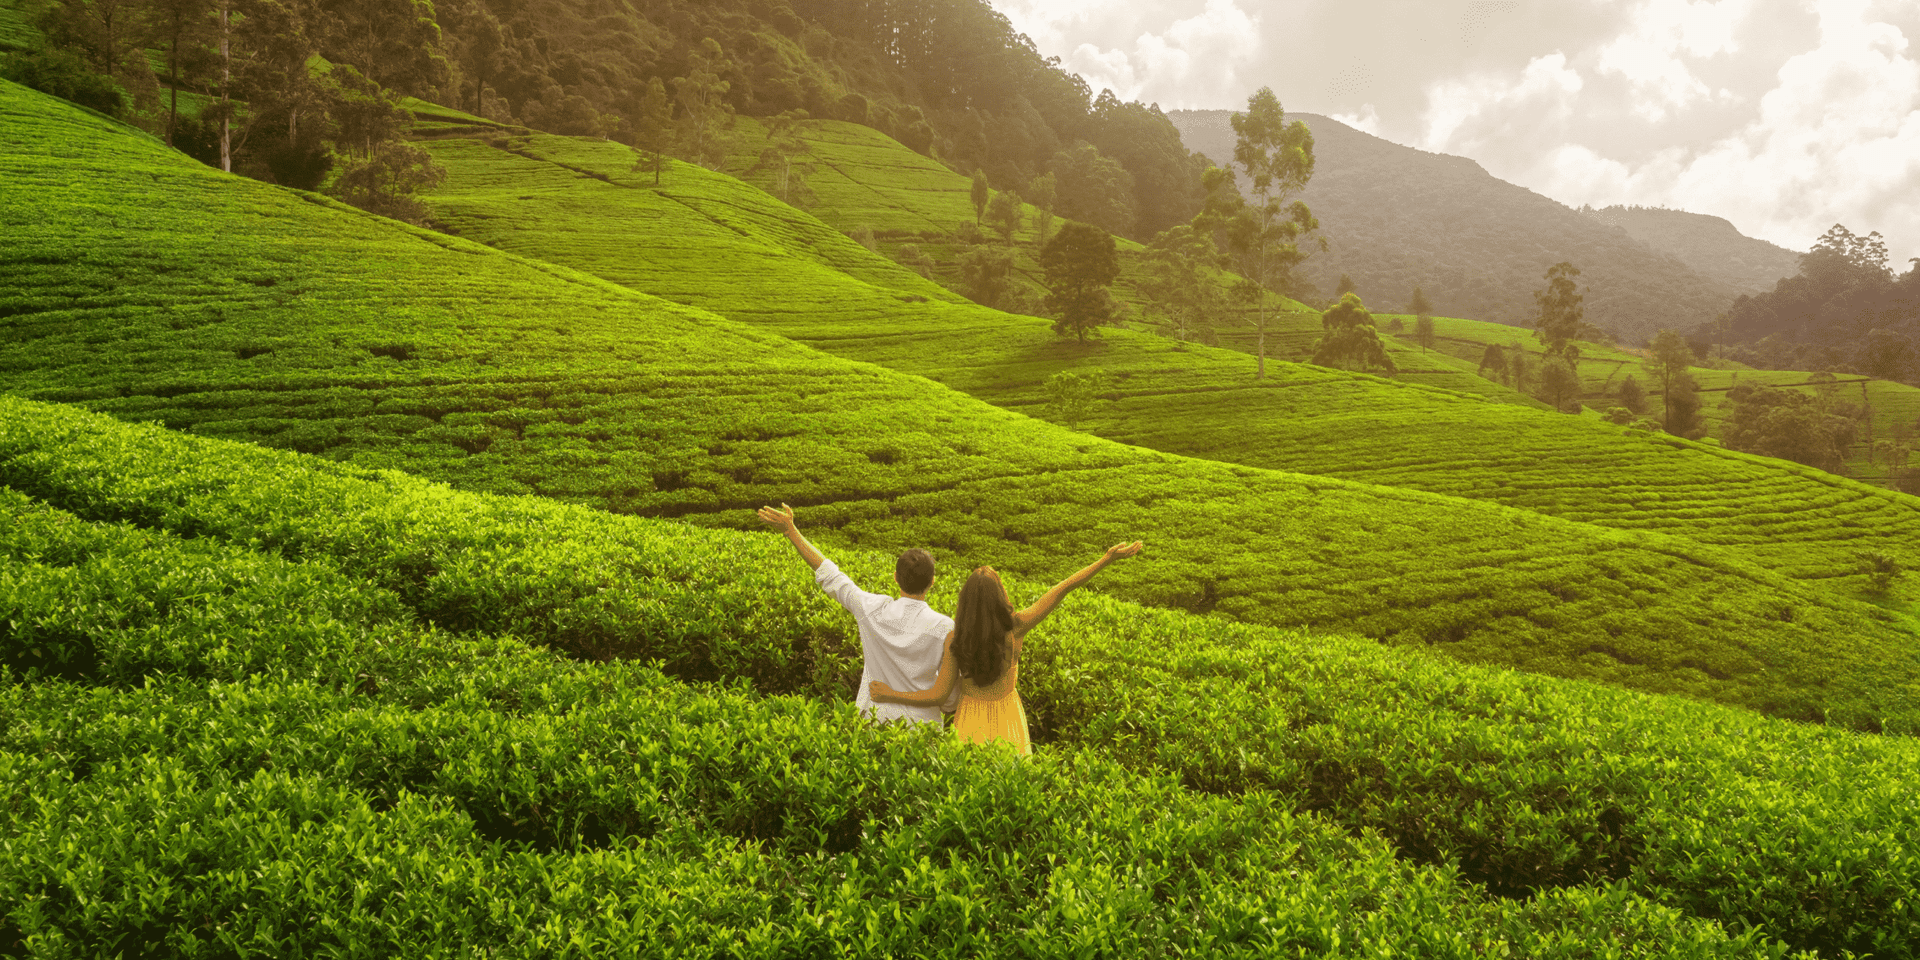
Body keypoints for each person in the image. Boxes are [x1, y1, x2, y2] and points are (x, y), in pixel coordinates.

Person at [870, 541, 1143, 755]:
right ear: (1000, 595)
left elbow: (938, 695)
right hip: (1007, 715)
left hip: (969, 718)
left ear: (965, 601)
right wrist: (1107, 559)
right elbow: (1063, 589)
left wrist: (891, 693)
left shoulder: (956, 636)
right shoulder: (1016, 628)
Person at [756, 502, 953, 725]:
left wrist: (791, 531)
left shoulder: (871, 608)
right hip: (922, 729)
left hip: (875, 722)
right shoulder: (945, 627)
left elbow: (830, 575)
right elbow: (948, 697)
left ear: (896, 578)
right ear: (933, 582)